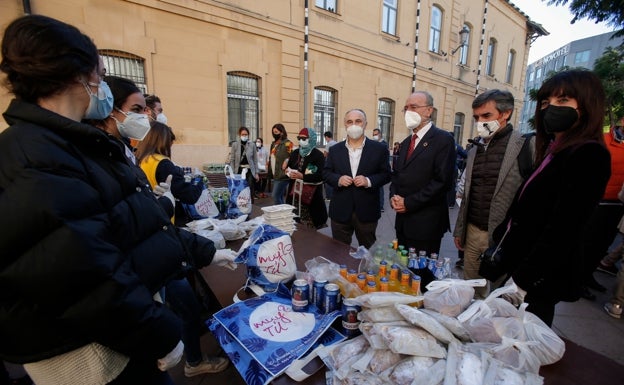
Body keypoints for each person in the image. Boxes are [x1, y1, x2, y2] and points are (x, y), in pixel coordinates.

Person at [0, 15, 236, 384]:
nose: (103, 85)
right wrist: (158, 332)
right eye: (100, 73)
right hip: (94, 359)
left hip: (121, 338)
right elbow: (84, 277)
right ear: (78, 75)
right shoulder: (35, 155)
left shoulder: (80, 145)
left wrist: (205, 250)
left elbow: (142, 225)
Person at [497, 69, 611, 326]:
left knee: (526, 339)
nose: (550, 109)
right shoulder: (553, 150)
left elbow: (564, 228)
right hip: (522, 262)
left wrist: (523, 280)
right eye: (546, 102)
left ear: (586, 106)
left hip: (539, 274)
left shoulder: (588, 155)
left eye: (563, 101)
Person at [136, 122, 231, 377]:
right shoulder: (163, 163)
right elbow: (188, 195)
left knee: (177, 302)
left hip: (151, 240)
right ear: (164, 141)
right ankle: (193, 360)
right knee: (187, 307)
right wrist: (199, 184)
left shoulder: (140, 161)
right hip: (164, 241)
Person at [452, 89, 534, 298]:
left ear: (505, 113)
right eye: (477, 117)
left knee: (500, 295)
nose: (480, 122)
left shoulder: (526, 146)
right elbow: (468, 193)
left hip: (504, 236)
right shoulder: (474, 150)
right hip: (472, 231)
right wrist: (460, 229)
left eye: (486, 116)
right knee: (470, 289)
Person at [390, 91, 456, 255]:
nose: (408, 112)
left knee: (422, 275)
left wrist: (409, 203)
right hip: (403, 222)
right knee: (404, 273)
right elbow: (397, 176)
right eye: (405, 108)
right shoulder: (406, 143)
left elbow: (442, 182)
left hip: (426, 224)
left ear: (429, 111)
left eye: (413, 107)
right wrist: (394, 197)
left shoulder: (443, 139)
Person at [323, 109, 391, 248]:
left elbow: (386, 174)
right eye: (350, 122)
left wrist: (369, 181)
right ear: (345, 125)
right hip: (340, 211)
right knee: (339, 252)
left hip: (367, 211)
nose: (354, 125)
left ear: (365, 124)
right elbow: (326, 173)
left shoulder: (379, 149)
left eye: (358, 121)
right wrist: (338, 179)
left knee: (368, 252)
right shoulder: (335, 150)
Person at [580, 113, 624, 300]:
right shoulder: (603, 141)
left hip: (619, 203)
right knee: (587, 243)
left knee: (602, 244)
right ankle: (578, 280)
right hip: (598, 202)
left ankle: (588, 276)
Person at [286, 128, 328, 229]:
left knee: (310, 231)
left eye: (304, 138)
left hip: (310, 197)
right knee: (295, 226)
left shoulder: (318, 155)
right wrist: (287, 171)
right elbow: (290, 167)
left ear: (312, 139)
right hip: (294, 196)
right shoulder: (295, 153)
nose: (301, 141)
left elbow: (321, 176)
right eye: (299, 138)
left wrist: (303, 177)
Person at [229, 126, 260, 202]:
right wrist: (232, 172)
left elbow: (255, 160)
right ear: (239, 135)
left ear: (248, 135)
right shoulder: (235, 145)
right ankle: (241, 204)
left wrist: (256, 173)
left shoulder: (252, 145)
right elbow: (232, 159)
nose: (244, 136)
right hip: (238, 170)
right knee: (240, 188)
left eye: (246, 134)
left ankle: (250, 204)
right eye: (243, 134)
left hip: (249, 170)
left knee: (249, 187)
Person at [268, 123, 294, 204]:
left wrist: (287, 161)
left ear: (282, 132)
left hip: (283, 175)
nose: (274, 134)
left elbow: (294, 157)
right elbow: (272, 157)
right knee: (279, 196)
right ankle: (283, 213)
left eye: (276, 132)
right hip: (275, 174)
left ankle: (279, 212)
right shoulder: (273, 144)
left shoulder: (288, 143)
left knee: (275, 196)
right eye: (273, 132)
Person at [372, 128, 390, 212]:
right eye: (373, 135)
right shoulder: (375, 143)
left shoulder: (384, 144)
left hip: (380, 169)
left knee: (380, 188)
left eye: (375, 134)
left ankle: (381, 206)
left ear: (380, 135)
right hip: (374, 168)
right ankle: (375, 204)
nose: (374, 136)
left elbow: (384, 158)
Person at [323, 131, 338, 200]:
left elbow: (325, 154)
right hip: (336, 163)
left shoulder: (329, 144)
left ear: (326, 137)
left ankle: (328, 196)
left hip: (329, 163)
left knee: (328, 179)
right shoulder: (336, 143)